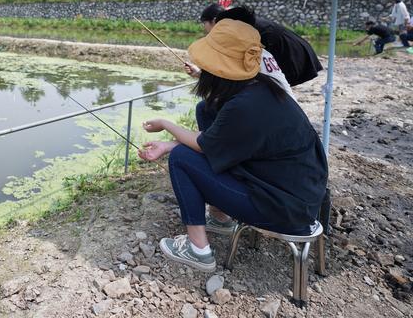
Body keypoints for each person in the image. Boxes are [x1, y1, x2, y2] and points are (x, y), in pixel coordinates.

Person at [138, 19, 328, 272]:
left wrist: (167, 125)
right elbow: (219, 139)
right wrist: (168, 144)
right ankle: (220, 217)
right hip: (297, 197)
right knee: (206, 110)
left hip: (285, 211)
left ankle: (197, 250)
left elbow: (204, 146)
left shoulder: (245, 106)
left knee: (182, 158)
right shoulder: (261, 88)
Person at [195, 4, 322, 87]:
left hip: (290, 53)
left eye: (204, 23)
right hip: (284, 49)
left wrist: (203, 74)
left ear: (214, 20)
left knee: (275, 87)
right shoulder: (237, 25)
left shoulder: (236, 28)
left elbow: (233, 63)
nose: (204, 28)